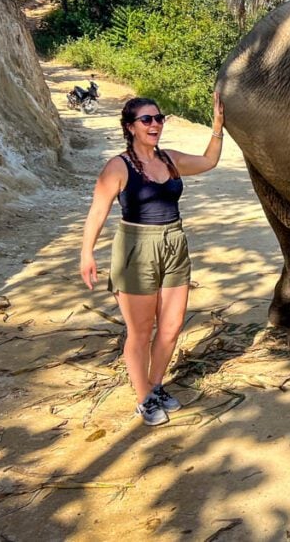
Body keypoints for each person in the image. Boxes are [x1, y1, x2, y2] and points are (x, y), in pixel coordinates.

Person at [80, 92, 225, 426]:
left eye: (159, 118)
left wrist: (217, 127)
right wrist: (87, 252)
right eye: (147, 120)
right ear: (131, 127)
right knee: (141, 331)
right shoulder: (118, 166)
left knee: (172, 327)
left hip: (174, 244)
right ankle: (143, 398)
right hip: (136, 249)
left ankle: (155, 385)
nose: (155, 124)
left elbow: (208, 161)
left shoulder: (170, 159)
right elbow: (98, 210)